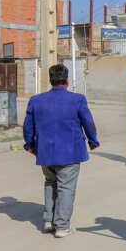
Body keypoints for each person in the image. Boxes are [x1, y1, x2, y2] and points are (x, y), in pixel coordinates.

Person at [22, 64, 99, 238]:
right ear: (66, 80)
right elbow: (89, 122)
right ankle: (62, 226)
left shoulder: (36, 100)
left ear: (50, 80)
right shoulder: (77, 99)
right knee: (66, 187)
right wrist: (93, 141)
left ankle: (49, 219)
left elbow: (28, 126)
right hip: (70, 153)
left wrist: (30, 145)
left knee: (50, 182)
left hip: (45, 152)